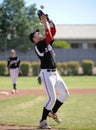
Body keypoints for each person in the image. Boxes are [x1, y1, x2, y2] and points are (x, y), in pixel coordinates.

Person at [29, 10, 70, 129]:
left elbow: (53, 31)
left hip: (55, 73)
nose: (38, 33)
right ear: (34, 39)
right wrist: (44, 24)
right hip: (46, 74)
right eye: (36, 34)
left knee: (65, 94)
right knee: (51, 98)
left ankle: (53, 112)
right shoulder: (38, 45)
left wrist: (48, 20)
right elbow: (48, 36)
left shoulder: (45, 41)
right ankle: (42, 121)